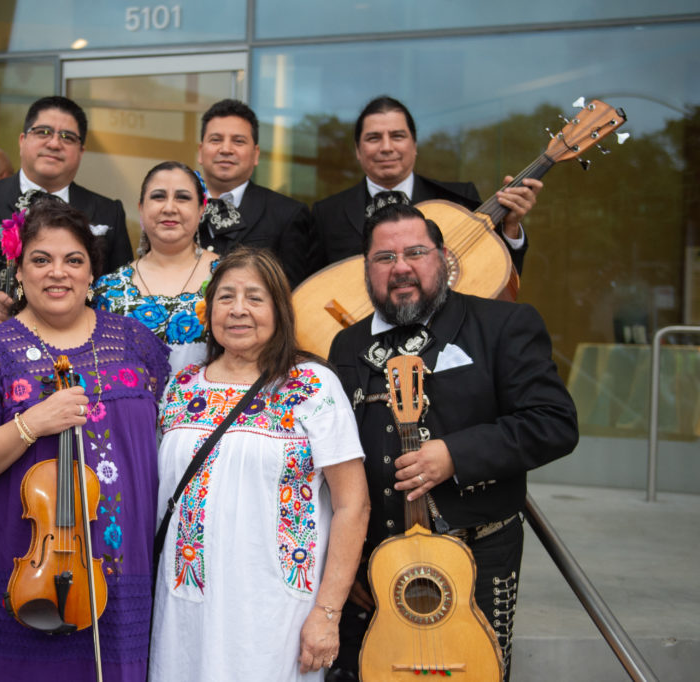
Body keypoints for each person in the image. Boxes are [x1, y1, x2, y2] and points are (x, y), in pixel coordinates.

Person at [325, 203, 579, 681]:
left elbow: (554, 423)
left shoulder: (503, 325)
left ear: (443, 257)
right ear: (366, 269)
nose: (400, 266)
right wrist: (350, 558)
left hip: (476, 560)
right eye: (384, 257)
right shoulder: (346, 346)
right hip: (374, 564)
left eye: (415, 252)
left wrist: (455, 455)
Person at [0, 197, 169, 681]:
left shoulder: (137, 344)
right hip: (22, 566)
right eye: (40, 260)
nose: (57, 273)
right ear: (18, 272)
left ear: (92, 275)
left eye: (73, 260)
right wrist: (31, 424)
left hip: (120, 563)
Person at [149, 247, 370, 681]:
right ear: (208, 309)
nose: (238, 310)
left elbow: (353, 505)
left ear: (280, 310)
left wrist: (327, 614)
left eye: (255, 297)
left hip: (276, 613)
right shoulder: (180, 386)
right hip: (183, 607)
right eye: (225, 297)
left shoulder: (311, 386)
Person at [0, 95, 133, 351]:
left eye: (67, 137)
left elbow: (121, 292)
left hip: (80, 363)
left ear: (81, 151)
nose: (54, 143)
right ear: (22, 140)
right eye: (43, 132)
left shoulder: (108, 212)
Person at [312, 95, 542, 274]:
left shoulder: (459, 200)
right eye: (374, 138)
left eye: (397, 136)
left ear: (415, 145)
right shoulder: (326, 214)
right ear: (358, 150)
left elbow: (493, 276)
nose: (386, 147)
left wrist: (510, 228)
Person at [93, 161, 219, 374]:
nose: (169, 208)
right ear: (141, 208)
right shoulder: (108, 289)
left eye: (183, 197)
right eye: (158, 196)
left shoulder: (227, 277)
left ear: (201, 209)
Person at [196, 99, 314, 288]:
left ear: (256, 154)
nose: (226, 149)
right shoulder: (178, 209)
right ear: (201, 152)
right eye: (216, 140)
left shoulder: (287, 214)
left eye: (238, 141)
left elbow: (295, 295)